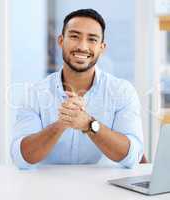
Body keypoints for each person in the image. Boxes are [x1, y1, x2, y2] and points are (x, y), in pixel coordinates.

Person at [11, 8, 143, 169]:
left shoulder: (122, 91)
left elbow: (133, 156)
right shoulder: (35, 93)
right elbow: (21, 158)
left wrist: (89, 125)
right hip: (45, 189)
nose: (82, 46)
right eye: (74, 36)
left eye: (92, 39)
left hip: (105, 190)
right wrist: (61, 124)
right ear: (61, 41)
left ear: (102, 47)